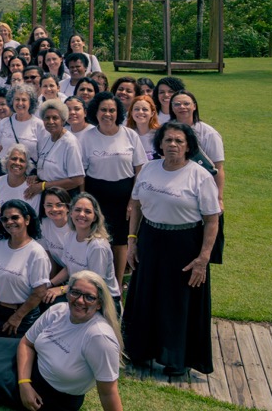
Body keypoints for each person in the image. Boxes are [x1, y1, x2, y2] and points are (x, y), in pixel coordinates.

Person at [125, 120, 220, 377]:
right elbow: (136, 205)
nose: (173, 145)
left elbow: (212, 220)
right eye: (168, 140)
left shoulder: (200, 176)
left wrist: (203, 258)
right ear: (160, 144)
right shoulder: (149, 169)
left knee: (177, 303)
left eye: (179, 141)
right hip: (151, 240)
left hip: (184, 246)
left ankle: (176, 358)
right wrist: (132, 241)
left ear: (188, 146)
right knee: (146, 298)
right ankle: (141, 352)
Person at [0, 270, 123, 411]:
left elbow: (108, 392)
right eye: (75, 292)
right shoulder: (59, 310)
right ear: (68, 294)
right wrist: (24, 382)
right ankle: (15, 374)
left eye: (89, 297)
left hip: (52, 393)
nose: (80, 301)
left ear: (99, 303)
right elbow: (27, 343)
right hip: (34, 358)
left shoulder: (100, 338)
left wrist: (26, 387)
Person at [78, 92, 143, 282]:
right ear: (95, 112)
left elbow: (140, 169)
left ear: (118, 112)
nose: (108, 114)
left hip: (124, 198)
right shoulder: (87, 137)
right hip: (96, 196)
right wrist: (83, 198)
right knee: (98, 240)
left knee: (120, 243)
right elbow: (82, 172)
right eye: (103, 110)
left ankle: (118, 282)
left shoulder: (130, 135)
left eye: (112, 110)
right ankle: (97, 282)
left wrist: (133, 199)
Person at [0, 200, 50, 341]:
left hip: (21, 316)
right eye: (5, 219)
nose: (9, 222)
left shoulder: (36, 253)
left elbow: (39, 292)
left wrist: (17, 316)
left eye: (15, 217)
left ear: (27, 220)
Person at [44, 192, 120, 309]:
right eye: (78, 210)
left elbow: (94, 283)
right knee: (44, 299)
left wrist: (62, 289)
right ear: (71, 212)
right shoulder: (70, 236)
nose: (82, 214)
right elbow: (68, 268)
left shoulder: (97, 246)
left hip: (101, 299)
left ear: (95, 217)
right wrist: (50, 284)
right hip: (78, 291)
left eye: (88, 212)